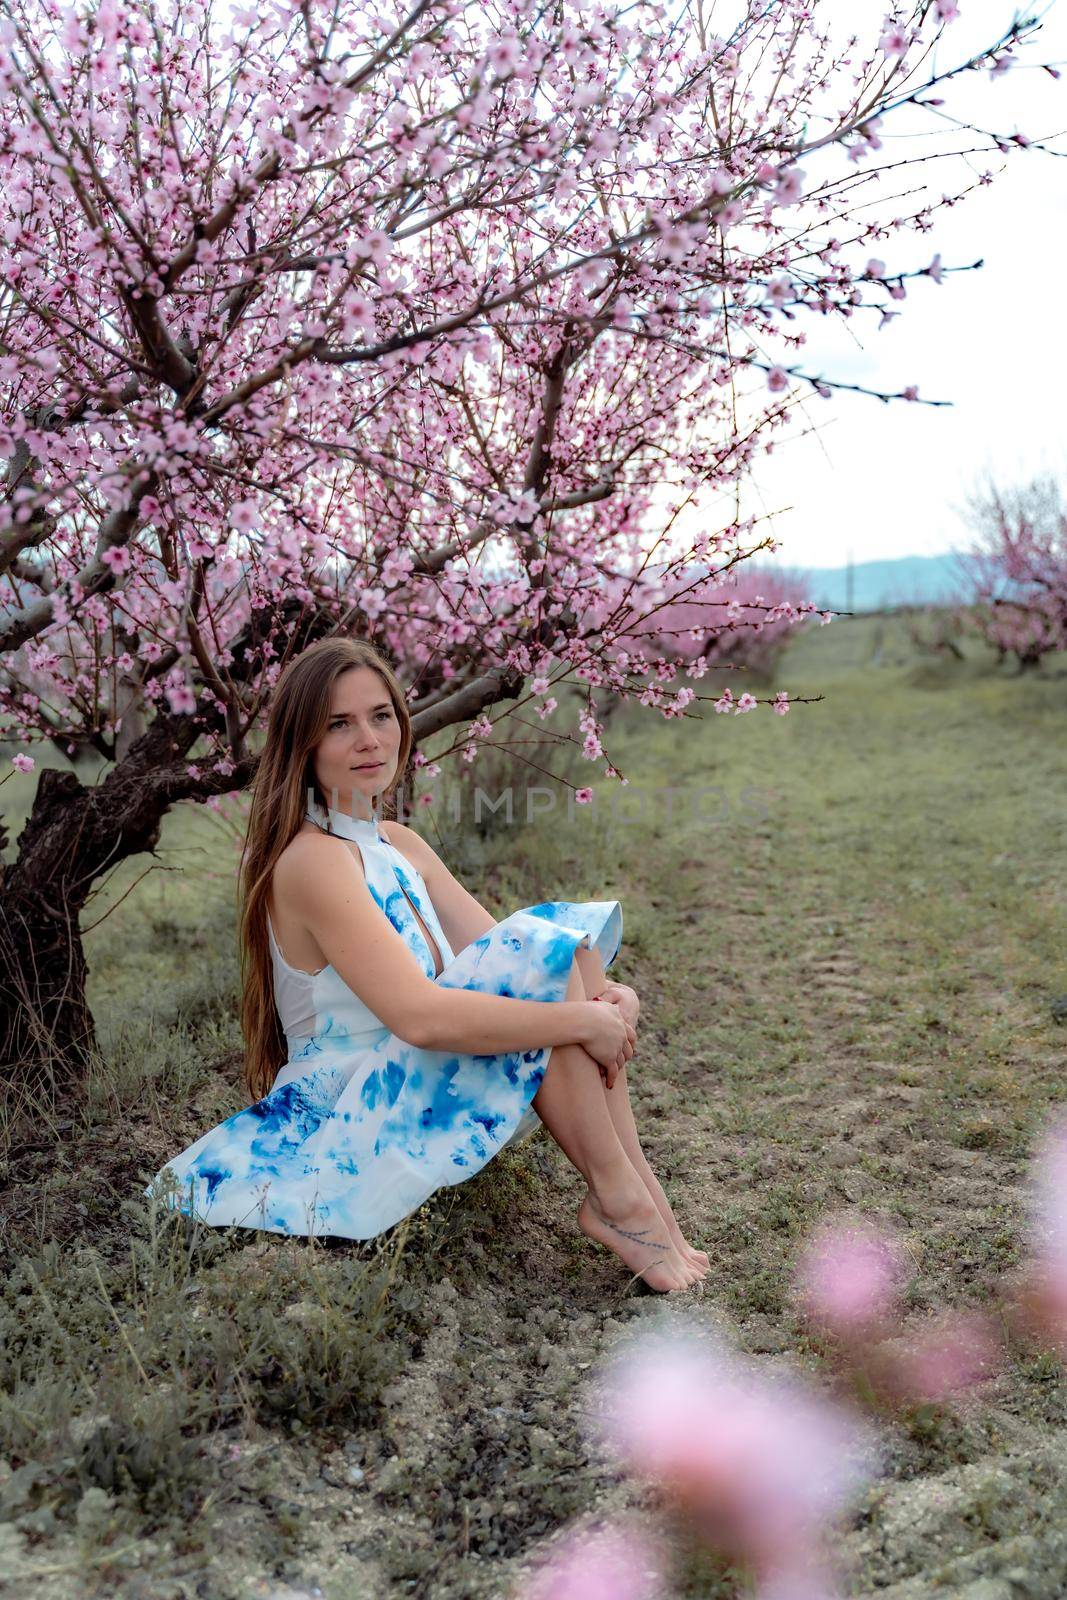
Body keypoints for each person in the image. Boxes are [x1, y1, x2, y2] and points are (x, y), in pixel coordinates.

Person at [146, 638, 709, 1293]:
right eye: (338, 724)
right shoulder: (313, 861)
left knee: (559, 942)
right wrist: (581, 1018)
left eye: (380, 716)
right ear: (302, 744)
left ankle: (640, 1201)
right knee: (547, 961)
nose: (368, 739)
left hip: (406, 1084)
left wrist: (613, 998)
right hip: (347, 1117)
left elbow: (516, 954)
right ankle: (620, 1202)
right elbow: (418, 1016)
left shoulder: (396, 843)